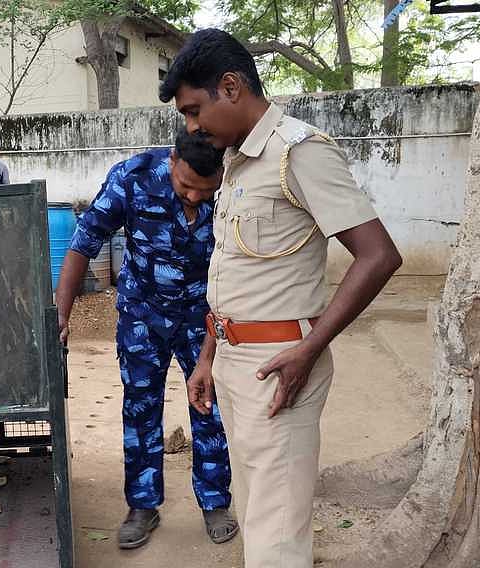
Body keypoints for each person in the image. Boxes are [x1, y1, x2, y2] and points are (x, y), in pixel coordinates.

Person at [161, 29, 402, 567]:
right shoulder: (238, 163)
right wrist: (207, 356)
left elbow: (379, 255)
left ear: (230, 86)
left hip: (281, 366)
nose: (192, 127)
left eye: (194, 110)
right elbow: (233, 277)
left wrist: (310, 348)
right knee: (257, 517)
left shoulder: (299, 152)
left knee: (277, 538)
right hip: (232, 361)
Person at [55, 129, 237, 550]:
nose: (193, 198)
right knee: (140, 408)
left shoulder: (233, 183)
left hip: (203, 317)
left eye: (204, 192)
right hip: (143, 315)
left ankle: (214, 501)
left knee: (209, 404)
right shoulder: (131, 178)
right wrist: (61, 315)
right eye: (186, 185)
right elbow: (83, 244)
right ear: (172, 160)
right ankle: (142, 505)